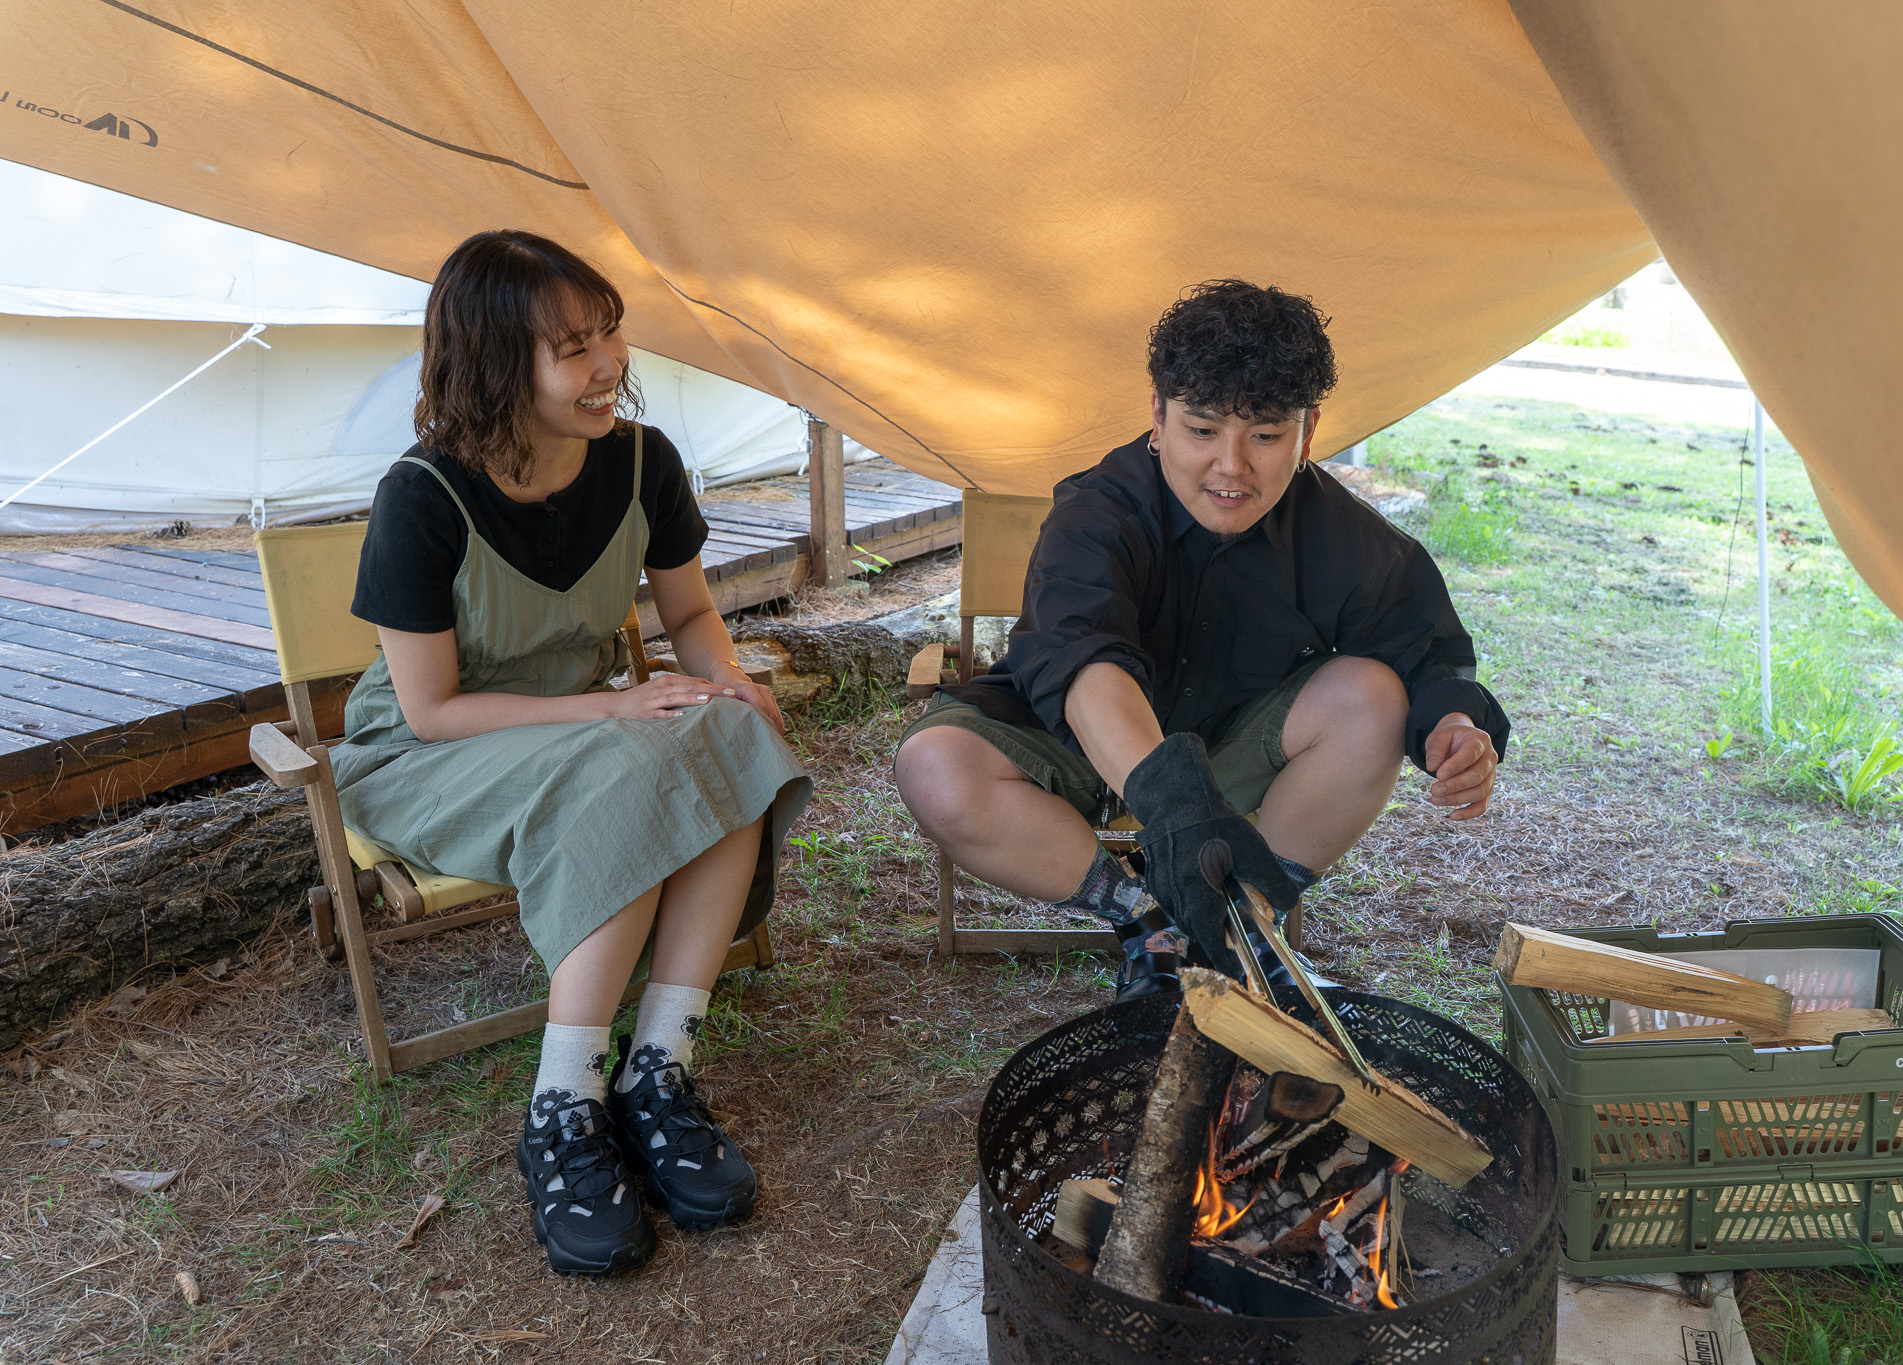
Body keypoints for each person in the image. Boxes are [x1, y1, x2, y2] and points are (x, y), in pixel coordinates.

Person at [334, 231, 812, 1277]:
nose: (608, 367)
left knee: (730, 732)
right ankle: (562, 1106)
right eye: (572, 349)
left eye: (608, 335)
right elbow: (429, 713)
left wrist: (720, 680)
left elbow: (688, 615)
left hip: (580, 728)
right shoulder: (423, 495)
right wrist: (610, 712)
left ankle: (658, 1072)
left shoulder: (643, 461)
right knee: (629, 765)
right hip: (429, 757)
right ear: (500, 365)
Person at [895, 280, 1507, 998]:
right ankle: (1145, 918)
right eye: (1203, 429)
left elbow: (1422, 641)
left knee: (1375, 696)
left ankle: (1246, 928)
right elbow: (1080, 652)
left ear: (1309, 433)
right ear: (1157, 416)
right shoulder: (1097, 512)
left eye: (1268, 436)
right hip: (1063, 740)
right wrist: (1174, 803)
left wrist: (1456, 727)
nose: (1231, 466)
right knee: (933, 764)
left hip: (1222, 750)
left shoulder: (1340, 536)